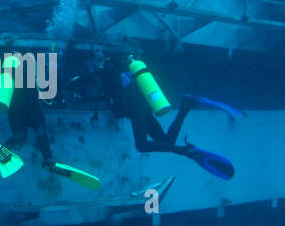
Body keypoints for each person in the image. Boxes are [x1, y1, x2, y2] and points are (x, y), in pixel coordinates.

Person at [100, 54, 240, 179]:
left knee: (142, 146)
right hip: (143, 106)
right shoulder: (122, 72)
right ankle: (186, 105)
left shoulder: (109, 75)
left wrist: (110, 106)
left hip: (137, 110)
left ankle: (184, 151)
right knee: (167, 141)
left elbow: (118, 107)